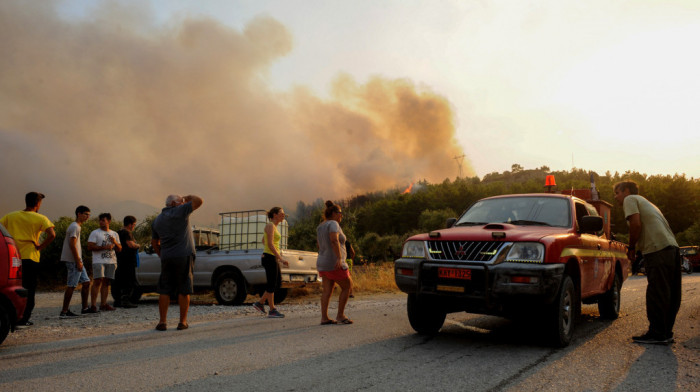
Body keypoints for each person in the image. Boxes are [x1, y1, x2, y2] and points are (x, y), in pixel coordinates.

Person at [614, 180, 681, 345]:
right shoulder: (648, 203)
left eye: (617, 193)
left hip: (657, 250)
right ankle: (666, 332)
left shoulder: (631, 199)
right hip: (671, 248)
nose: (616, 197)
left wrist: (631, 248)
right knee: (670, 293)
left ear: (627, 191)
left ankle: (657, 334)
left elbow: (636, 225)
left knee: (657, 292)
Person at [0, 192, 56, 326]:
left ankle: (9, 314)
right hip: (30, 257)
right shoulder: (41, 218)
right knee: (29, 289)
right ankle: (23, 318)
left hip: (12, 257)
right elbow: (52, 234)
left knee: (12, 286)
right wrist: (40, 247)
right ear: (38, 204)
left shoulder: (10, 216)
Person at [151, 194, 203, 331]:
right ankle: (182, 322)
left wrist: (161, 254)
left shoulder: (157, 220)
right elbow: (199, 201)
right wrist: (187, 197)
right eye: (181, 202)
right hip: (183, 255)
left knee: (165, 289)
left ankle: (162, 322)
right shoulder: (180, 211)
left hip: (167, 257)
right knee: (184, 289)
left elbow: (154, 242)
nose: (183, 203)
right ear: (174, 203)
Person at [316, 200, 353, 325]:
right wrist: (338, 258)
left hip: (322, 262)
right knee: (347, 286)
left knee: (327, 290)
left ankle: (324, 318)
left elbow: (318, 244)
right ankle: (340, 315)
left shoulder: (320, 226)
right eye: (340, 213)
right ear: (333, 213)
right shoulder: (334, 224)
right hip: (334, 262)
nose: (341, 215)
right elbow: (334, 240)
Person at [252, 207, 289, 318]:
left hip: (271, 256)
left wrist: (273, 253)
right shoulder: (270, 226)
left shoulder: (273, 227)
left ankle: (260, 303)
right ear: (275, 214)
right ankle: (272, 309)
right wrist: (280, 258)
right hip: (269, 257)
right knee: (272, 283)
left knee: (276, 283)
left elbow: (264, 241)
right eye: (281, 213)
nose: (283, 215)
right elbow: (270, 244)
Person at [59, 206, 92, 318]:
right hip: (74, 260)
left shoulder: (77, 226)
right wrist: (78, 261)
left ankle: (85, 308)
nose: (88, 217)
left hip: (77, 260)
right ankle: (64, 312)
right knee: (72, 285)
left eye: (89, 215)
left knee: (86, 282)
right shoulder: (74, 227)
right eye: (86, 214)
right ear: (79, 214)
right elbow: (72, 245)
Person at [87, 213, 122, 312]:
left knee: (106, 282)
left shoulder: (115, 234)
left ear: (109, 221)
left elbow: (120, 249)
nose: (101, 222)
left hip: (111, 261)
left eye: (103, 220)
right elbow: (90, 247)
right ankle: (93, 305)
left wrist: (114, 242)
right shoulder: (95, 233)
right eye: (100, 220)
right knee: (97, 281)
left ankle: (103, 304)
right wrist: (104, 247)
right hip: (98, 260)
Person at [114, 215, 140, 308]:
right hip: (128, 261)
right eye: (134, 224)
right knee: (129, 281)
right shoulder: (127, 233)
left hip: (119, 260)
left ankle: (117, 301)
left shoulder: (118, 232)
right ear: (130, 224)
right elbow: (131, 245)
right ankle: (126, 300)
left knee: (119, 281)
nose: (134, 226)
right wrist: (138, 245)